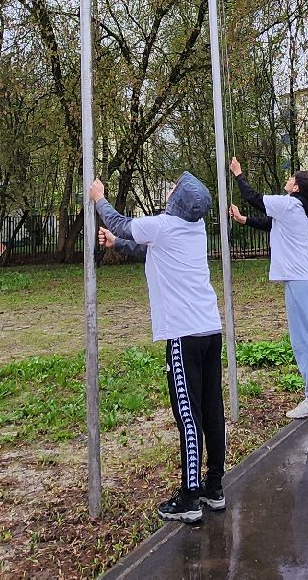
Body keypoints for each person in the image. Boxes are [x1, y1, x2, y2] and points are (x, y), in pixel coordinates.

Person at [90, 173, 227, 523]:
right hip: (210, 329)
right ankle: (214, 488)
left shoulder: (164, 225)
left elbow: (121, 223)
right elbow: (143, 245)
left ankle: (190, 498)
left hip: (184, 334)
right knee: (211, 408)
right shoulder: (193, 229)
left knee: (188, 415)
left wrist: (99, 198)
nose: (168, 190)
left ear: (178, 201)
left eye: (172, 189)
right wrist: (116, 244)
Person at [226, 156, 308, 419]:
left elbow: (254, 197)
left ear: (296, 187)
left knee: (304, 339)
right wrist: (244, 220)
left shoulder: (291, 204)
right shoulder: (298, 208)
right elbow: (271, 223)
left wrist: (238, 173)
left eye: (291, 178)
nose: (288, 179)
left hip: (298, 280)